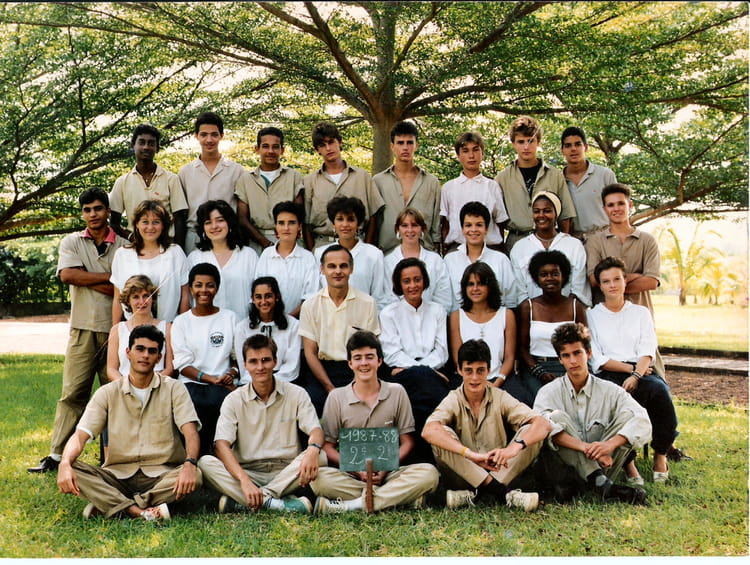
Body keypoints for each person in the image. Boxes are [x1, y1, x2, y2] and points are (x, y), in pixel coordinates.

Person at [56, 324, 201, 520]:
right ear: (128, 353)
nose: (145, 355)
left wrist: (190, 463)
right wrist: (65, 462)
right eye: (140, 349)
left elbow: (190, 431)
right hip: (117, 476)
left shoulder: (174, 389)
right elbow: (81, 435)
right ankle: (141, 511)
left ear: (159, 357)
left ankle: (114, 505)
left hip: (162, 475)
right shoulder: (108, 392)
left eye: (152, 351)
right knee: (72, 466)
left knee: (196, 475)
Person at [28, 188, 128, 474]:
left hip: (116, 330)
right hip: (82, 328)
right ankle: (56, 455)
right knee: (73, 393)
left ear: (108, 211)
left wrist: (87, 277)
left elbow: (127, 290)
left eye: (98, 208)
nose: (93, 214)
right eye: (87, 210)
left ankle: (115, 456)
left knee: (116, 394)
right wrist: (111, 279)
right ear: (82, 213)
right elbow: (67, 274)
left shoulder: (124, 246)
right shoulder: (72, 241)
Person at [310, 331, 440, 513]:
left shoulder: (396, 392)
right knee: (318, 479)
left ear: (379, 361)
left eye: (369, 357)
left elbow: (408, 442)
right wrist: (356, 469)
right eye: (358, 358)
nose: (364, 363)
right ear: (350, 363)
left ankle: (355, 504)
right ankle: (399, 499)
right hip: (352, 476)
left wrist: (386, 467)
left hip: (389, 474)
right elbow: (327, 446)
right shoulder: (336, 397)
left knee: (429, 473)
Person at [198, 334, 324, 514]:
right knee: (205, 463)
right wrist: (244, 480)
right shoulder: (234, 400)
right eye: (253, 361)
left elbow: (315, 430)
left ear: (275, 361)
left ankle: (250, 501)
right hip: (248, 472)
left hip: (286, 473)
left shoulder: (296, 394)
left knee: (320, 455)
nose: (260, 367)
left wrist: (312, 450)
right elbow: (221, 445)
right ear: (245, 365)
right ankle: (276, 504)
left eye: (265, 360)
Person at [422, 339, 551, 510]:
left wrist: (514, 448)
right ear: (459, 370)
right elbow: (428, 430)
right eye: (469, 371)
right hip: (464, 474)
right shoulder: (453, 398)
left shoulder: (499, 396)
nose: (475, 378)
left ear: (489, 370)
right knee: (440, 435)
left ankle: (474, 495)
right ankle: (503, 493)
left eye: (480, 370)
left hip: (500, 469)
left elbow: (543, 424)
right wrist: (470, 455)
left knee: (531, 431)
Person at [588, 257, 683, 483]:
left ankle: (660, 454)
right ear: (600, 285)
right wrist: (630, 371)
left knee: (659, 392)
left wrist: (636, 375)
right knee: (615, 401)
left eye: (617, 279)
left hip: (642, 371)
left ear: (625, 281)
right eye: (606, 281)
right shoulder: (592, 314)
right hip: (609, 372)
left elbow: (647, 348)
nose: (612, 285)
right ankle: (628, 463)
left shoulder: (640, 313)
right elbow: (597, 357)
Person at [533, 322, 650, 505]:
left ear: (588, 353)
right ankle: (599, 484)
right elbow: (539, 428)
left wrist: (608, 445)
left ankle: (596, 484)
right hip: (564, 471)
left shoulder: (610, 390)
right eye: (566, 355)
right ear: (560, 360)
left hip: (605, 466)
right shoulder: (547, 392)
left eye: (577, 353)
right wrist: (585, 448)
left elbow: (642, 420)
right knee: (552, 418)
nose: (573, 361)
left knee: (630, 415)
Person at [584, 182, 667, 377]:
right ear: (604, 209)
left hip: (639, 313)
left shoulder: (647, 240)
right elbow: (593, 280)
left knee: (651, 374)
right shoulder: (595, 241)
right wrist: (636, 276)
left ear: (630, 205)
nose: (616, 209)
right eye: (611, 205)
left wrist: (612, 283)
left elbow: (652, 281)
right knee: (606, 374)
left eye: (621, 203)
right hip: (606, 318)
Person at [379, 258, 452, 461]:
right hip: (404, 376)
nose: (413, 286)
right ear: (399, 284)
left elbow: (442, 352)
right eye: (407, 281)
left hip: (432, 372)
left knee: (435, 407)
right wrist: (423, 371)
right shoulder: (388, 313)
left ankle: (437, 459)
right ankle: (415, 459)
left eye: (417, 279)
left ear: (424, 281)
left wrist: (424, 371)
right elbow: (392, 353)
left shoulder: (437, 311)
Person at [298, 245, 380, 416]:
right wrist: (330, 388)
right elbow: (310, 353)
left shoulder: (367, 303)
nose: (337, 271)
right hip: (322, 372)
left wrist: (357, 384)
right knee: (311, 405)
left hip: (356, 369)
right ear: (322, 269)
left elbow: (370, 350)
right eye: (331, 266)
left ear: (351, 269)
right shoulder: (310, 305)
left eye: (343, 266)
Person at [171, 263, 239, 456]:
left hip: (223, 384)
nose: (204, 290)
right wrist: (210, 378)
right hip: (191, 384)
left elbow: (238, 358)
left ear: (217, 287)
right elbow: (182, 364)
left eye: (210, 285)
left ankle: (221, 459)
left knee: (226, 405)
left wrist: (231, 373)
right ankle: (193, 459)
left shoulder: (230, 318)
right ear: (191, 288)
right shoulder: (181, 322)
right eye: (198, 285)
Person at [517, 251, 588, 405]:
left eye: (555, 274)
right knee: (542, 403)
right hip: (536, 369)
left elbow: (584, 345)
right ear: (536, 278)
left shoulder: (575, 306)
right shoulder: (528, 307)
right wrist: (540, 373)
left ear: (564, 276)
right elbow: (521, 348)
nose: (549, 278)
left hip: (570, 366)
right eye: (544, 274)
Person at [494, 116, 576, 251]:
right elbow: (498, 220)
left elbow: (565, 216)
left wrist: (563, 245)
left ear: (538, 142)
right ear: (513, 143)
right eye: (521, 142)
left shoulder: (554, 175)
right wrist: (500, 250)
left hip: (549, 241)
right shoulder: (502, 178)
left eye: (530, 141)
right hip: (516, 241)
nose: (526, 147)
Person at [448, 262, 526, 402]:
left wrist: (496, 384)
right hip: (467, 379)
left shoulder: (506, 315)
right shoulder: (456, 317)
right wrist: (476, 381)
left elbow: (509, 357)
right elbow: (457, 358)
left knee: (521, 402)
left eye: (480, 284)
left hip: (501, 378)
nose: (475, 289)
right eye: (470, 284)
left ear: (490, 286)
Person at [303, 121, 384, 249]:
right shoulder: (310, 181)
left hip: (357, 244)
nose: (328, 148)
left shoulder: (362, 177)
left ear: (340, 142)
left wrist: (367, 248)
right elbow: (306, 223)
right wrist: (311, 251)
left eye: (331, 142)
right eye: (322, 145)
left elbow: (374, 216)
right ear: (317, 150)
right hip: (323, 244)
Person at [110, 199, 190, 324]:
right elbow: (117, 298)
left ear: (163, 225)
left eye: (156, 222)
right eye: (145, 222)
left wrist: (182, 328)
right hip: (133, 328)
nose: (150, 227)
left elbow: (185, 296)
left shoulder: (175, 253)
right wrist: (115, 330)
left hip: (169, 326)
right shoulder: (122, 255)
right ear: (137, 224)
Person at [109, 124, 188, 246]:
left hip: (166, 246)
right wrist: (131, 237)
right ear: (133, 145)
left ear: (157, 148)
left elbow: (180, 219)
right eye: (141, 142)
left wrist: (177, 249)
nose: (146, 147)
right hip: (136, 247)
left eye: (151, 143)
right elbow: (114, 223)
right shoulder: (122, 182)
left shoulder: (171, 179)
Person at [178, 112, 246, 254]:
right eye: (204, 134)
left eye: (214, 134)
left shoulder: (237, 171)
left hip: (227, 238)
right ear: (196, 136)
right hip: (194, 236)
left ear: (221, 135)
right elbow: (181, 214)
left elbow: (242, 212)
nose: (209, 140)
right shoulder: (185, 172)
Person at [510, 191, 591, 306]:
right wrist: (535, 311)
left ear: (556, 214)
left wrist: (564, 310)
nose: (541, 215)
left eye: (547, 211)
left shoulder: (574, 245)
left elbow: (579, 288)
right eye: (536, 211)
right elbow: (520, 292)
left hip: (568, 311)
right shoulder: (520, 247)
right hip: (532, 312)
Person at [373, 121, 442, 254]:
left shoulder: (431, 182)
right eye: (400, 143)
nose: (405, 147)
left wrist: (436, 253)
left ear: (416, 146)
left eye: (410, 142)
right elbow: (373, 222)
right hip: (387, 252)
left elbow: (436, 223)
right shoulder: (378, 181)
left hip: (424, 252)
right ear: (392, 146)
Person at [236, 127, 304, 254]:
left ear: (282, 150)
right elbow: (242, 218)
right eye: (265, 146)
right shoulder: (245, 180)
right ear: (257, 149)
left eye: (275, 147)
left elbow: (299, 213)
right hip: (256, 243)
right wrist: (265, 243)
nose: (270, 151)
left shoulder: (294, 177)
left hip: (289, 240)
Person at [313, 196, 388, 311]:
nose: (345, 224)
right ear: (333, 223)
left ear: (358, 224)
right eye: (340, 219)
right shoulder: (320, 253)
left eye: (351, 219)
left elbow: (379, 297)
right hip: (329, 317)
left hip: (363, 317)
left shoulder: (374, 255)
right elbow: (316, 294)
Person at [186, 200, 258, 320]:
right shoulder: (195, 258)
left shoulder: (248, 255)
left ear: (229, 222)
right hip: (205, 326)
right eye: (208, 222)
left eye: (220, 220)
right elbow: (189, 298)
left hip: (243, 325)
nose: (214, 226)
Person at [439, 131, 509, 252]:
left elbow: (500, 222)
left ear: (482, 153)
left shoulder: (492, 186)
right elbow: (445, 224)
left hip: (489, 248)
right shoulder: (448, 188)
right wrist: (446, 251)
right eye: (465, 151)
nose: (471, 156)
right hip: (457, 248)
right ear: (458, 155)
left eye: (475, 150)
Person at [443, 201, 520, 311]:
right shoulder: (449, 260)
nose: (473, 230)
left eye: (479, 225)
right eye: (468, 225)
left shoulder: (501, 260)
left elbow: (511, 300)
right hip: (459, 319)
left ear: (486, 229)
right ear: (462, 229)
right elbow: (445, 300)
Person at [255, 201, 320, 317]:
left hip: (299, 321)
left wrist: (290, 320)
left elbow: (311, 296)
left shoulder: (308, 258)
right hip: (269, 320)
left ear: (299, 226)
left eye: (291, 223)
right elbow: (259, 290)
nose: (286, 228)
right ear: (276, 226)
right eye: (281, 223)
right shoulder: (266, 255)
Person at [383, 207, 453, 314]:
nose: (410, 230)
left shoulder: (436, 261)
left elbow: (444, 298)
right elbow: (387, 298)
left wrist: (427, 317)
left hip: (432, 319)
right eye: (404, 225)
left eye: (415, 225)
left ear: (422, 229)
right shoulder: (387, 262)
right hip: (398, 320)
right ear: (398, 229)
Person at [233, 276, 301, 385]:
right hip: (252, 382)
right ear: (253, 299)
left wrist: (270, 382)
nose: (263, 301)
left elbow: (291, 367)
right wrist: (260, 383)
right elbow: (244, 367)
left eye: (268, 296)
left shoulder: (293, 325)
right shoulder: (242, 328)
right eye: (258, 297)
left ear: (277, 297)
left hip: (284, 382)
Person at [106, 275, 173, 382]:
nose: (142, 302)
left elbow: (169, 368)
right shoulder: (117, 330)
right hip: (124, 385)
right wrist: (127, 385)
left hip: (158, 384)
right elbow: (111, 369)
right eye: (136, 297)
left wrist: (151, 384)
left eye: (146, 296)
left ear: (152, 298)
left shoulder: (167, 328)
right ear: (128, 301)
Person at [560, 126, 617, 240]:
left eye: (578, 144)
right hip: (574, 241)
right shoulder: (558, 180)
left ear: (585, 147)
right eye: (568, 145)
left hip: (604, 238)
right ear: (562, 150)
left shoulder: (605, 175)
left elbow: (618, 209)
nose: (573, 149)